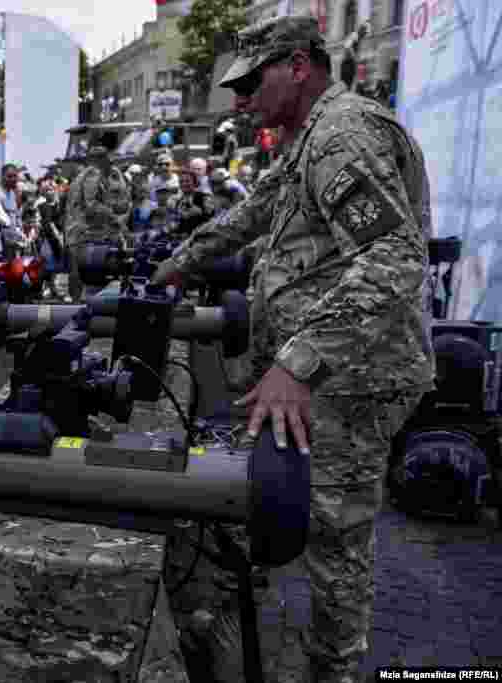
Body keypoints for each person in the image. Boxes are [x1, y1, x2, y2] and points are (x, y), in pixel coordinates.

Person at [150, 16, 433, 683]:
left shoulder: (343, 134)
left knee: (335, 535)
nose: (241, 100)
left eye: (252, 82)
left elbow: (396, 257)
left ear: (299, 66)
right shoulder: (312, 139)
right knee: (275, 497)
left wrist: (300, 361)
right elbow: (255, 212)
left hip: (350, 376)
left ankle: (331, 668)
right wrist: (180, 261)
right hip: (320, 371)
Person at [65, 136, 131, 302]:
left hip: (79, 232)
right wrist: (114, 218)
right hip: (83, 234)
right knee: (84, 276)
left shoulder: (87, 174)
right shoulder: (93, 174)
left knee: (80, 276)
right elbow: (91, 205)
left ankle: (77, 308)